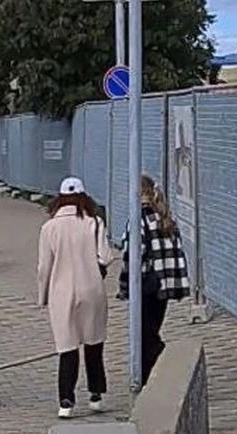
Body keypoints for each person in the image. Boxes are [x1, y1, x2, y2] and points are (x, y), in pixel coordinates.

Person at [38, 177, 113, 418]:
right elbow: (106, 257)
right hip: (92, 289)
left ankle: (66, 402)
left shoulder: (49, 228)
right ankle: (96, 395)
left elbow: (43, 267)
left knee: (67, 347)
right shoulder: (95, 223)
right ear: (84, 197)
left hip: (61, 293)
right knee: (94, 343)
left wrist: (43, 296)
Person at [118, 175, 190, 387]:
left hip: (147, 285)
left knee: (144, 337)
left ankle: (166, 371)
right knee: (151, 331)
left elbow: (132, 255)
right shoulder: (165, 218)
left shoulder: (139, 219)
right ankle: (152, 378)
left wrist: (125, 285)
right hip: (165, 287)